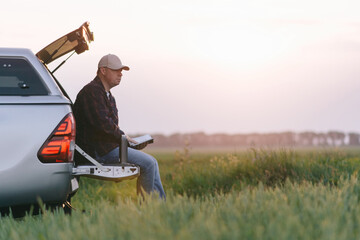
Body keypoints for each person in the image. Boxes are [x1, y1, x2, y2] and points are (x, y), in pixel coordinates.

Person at [73, 54, 166, 199]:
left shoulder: (107, 95)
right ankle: (152, 211)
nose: (120, 74)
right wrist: (124, 138)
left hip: (106, 148)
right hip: (97, 152)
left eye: (121, 71)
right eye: (116, 70)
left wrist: (128, 143)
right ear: (103, 71)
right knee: (148, 164)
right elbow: (103, 124)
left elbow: (108, 128)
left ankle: (153, 210)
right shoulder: (92, 91)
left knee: (151, 162)